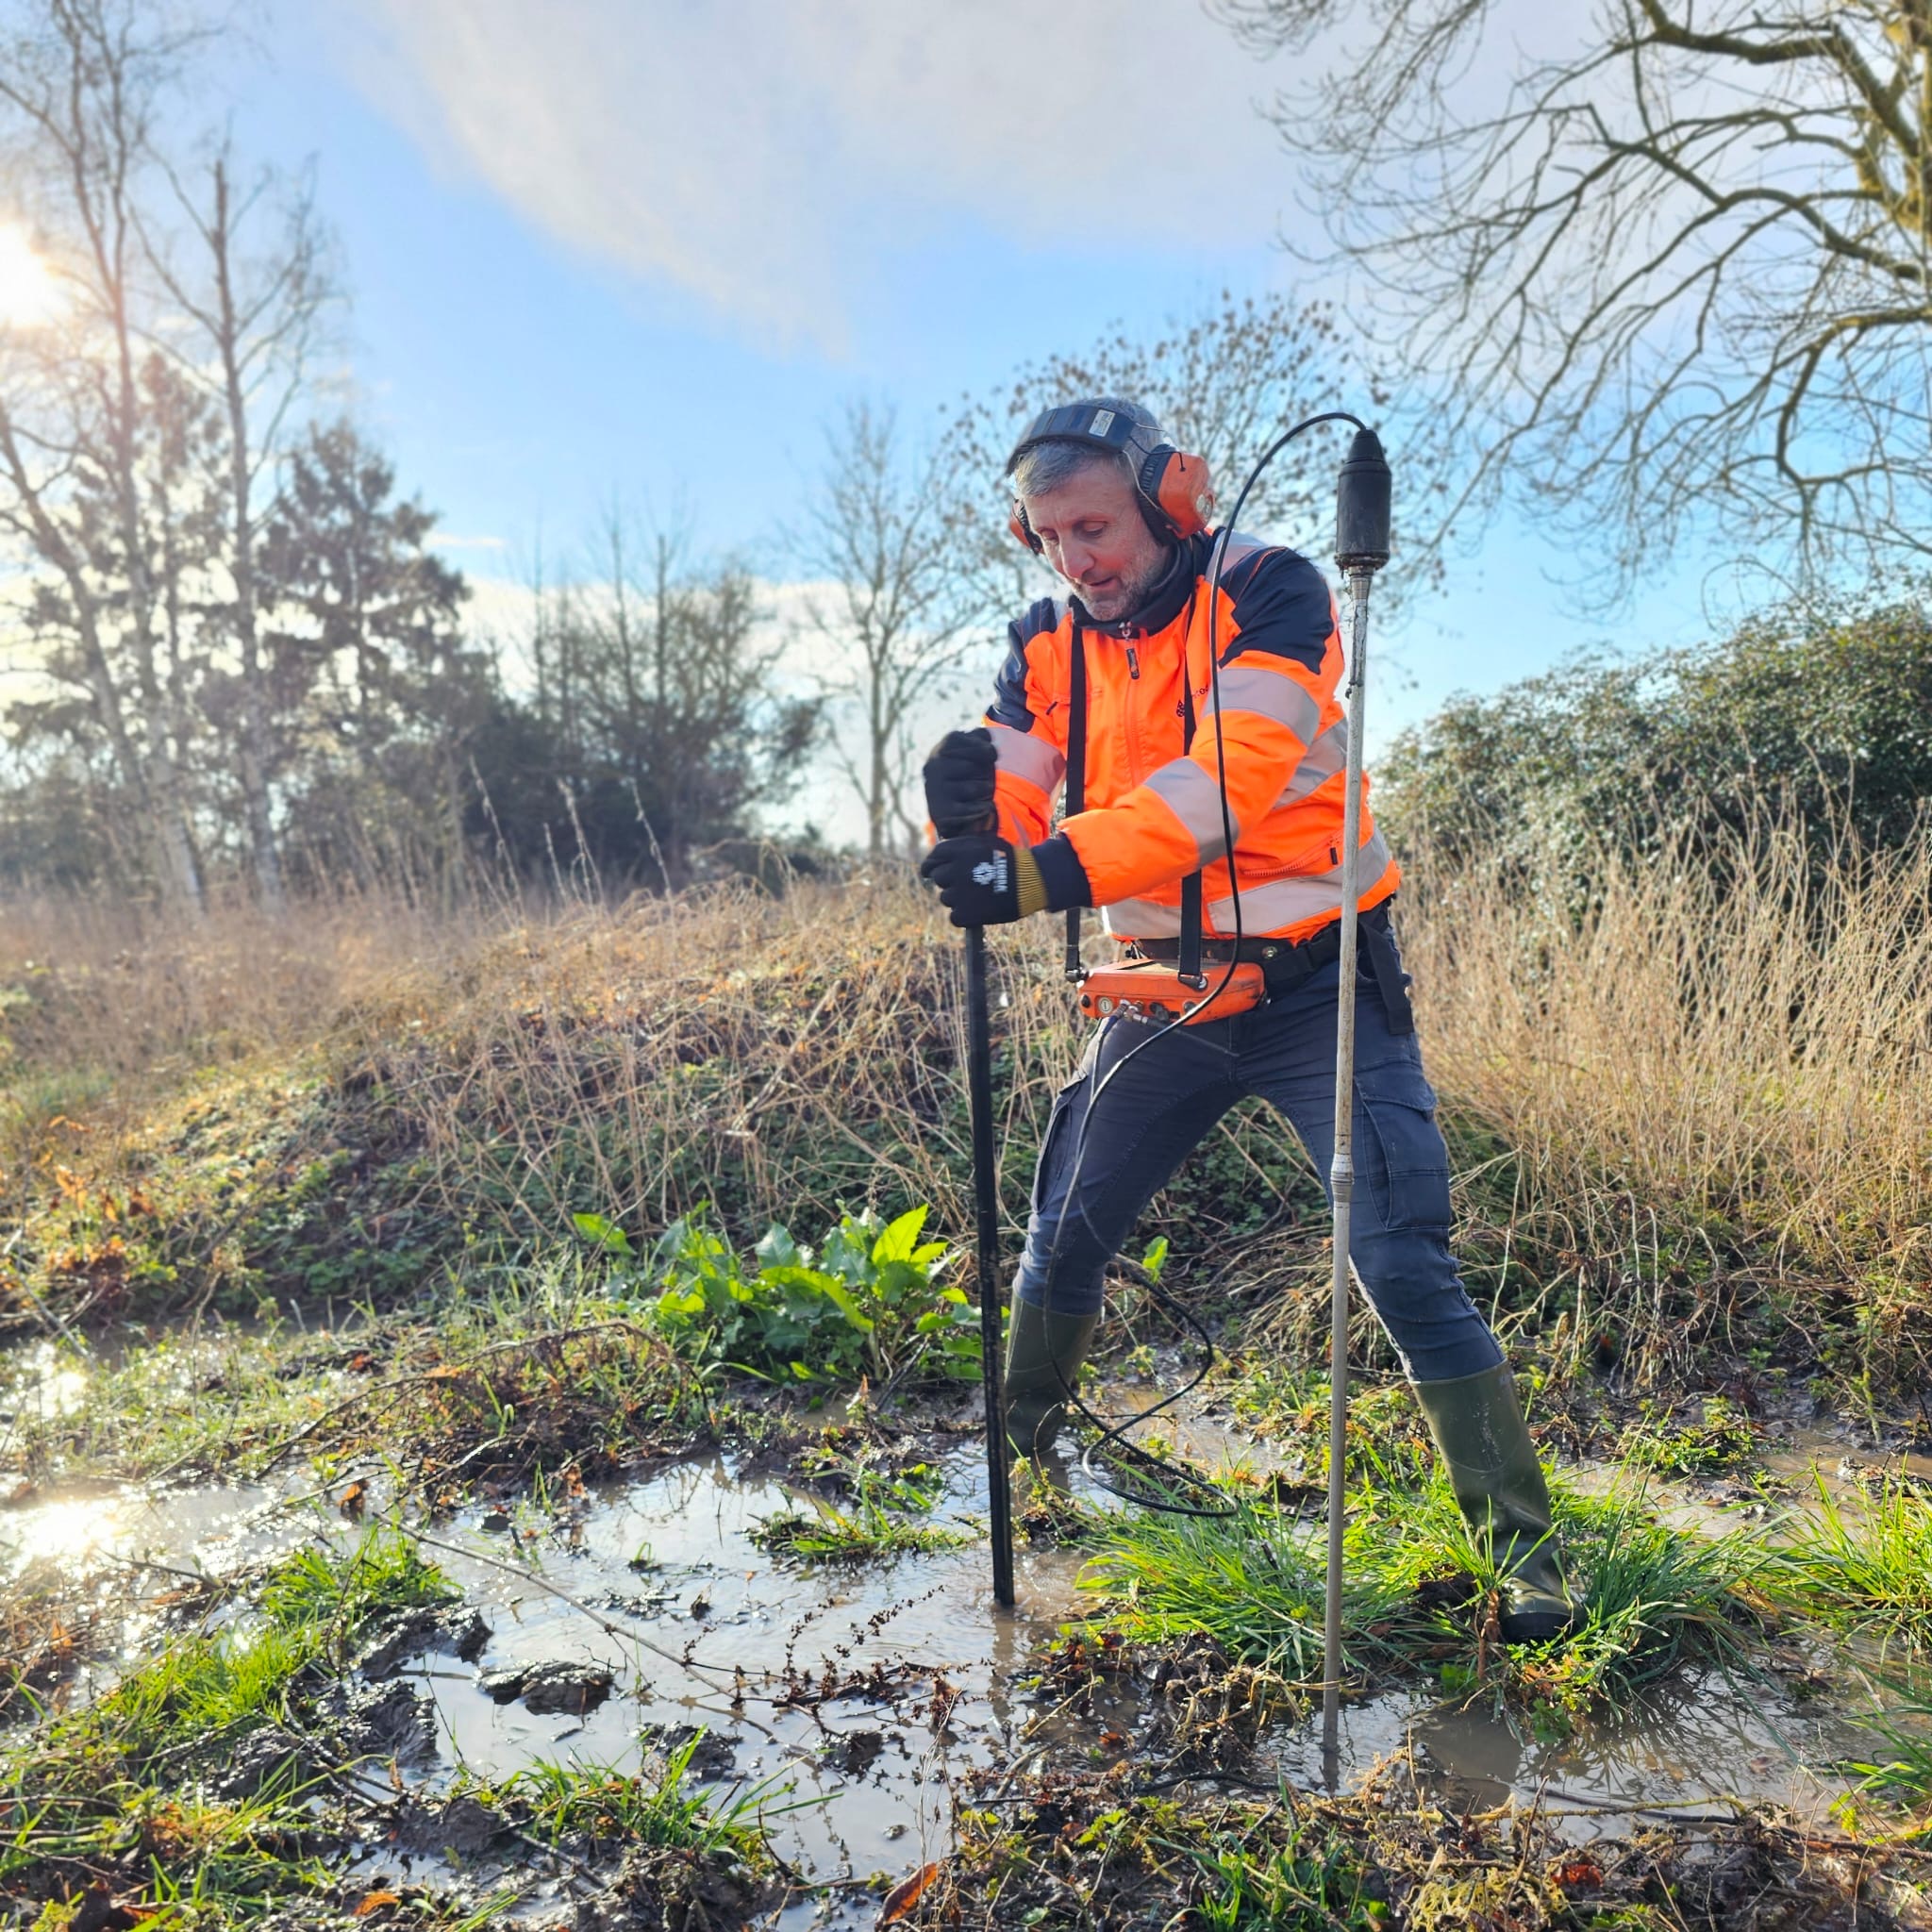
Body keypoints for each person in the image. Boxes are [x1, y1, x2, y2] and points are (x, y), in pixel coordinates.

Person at [919, 397, 1577, 1643]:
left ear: (1171, 499)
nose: (1078, 559)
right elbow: (1009, 826)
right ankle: (1019, 1452)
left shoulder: (1273, 592)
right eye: (1051, 537)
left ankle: (1527, 1556)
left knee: (1398, 1256)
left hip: (1320, 987)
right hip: (1160, 995)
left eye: (1097, 526)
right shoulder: (1045, 646)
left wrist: (1035, 871)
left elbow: (1220, 791)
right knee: (1065, 1228)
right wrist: (962, 826)